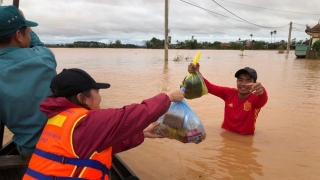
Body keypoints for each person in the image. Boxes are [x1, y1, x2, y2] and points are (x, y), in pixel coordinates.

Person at [23, 68, 184, 180]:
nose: (100, 98)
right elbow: (128, 116)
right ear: (82, 98)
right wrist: (167, 97)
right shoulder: (87, 122)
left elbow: (98, 147)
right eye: (97, 92)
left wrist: (143, 134)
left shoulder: (58, 120)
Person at [0, 5, 57, 157]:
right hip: (60, 143)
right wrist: (22, 20)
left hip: (29, 151)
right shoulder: (45, 57)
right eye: (27, 30)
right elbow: (37, 44)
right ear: (19, 35)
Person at [188, 63, 268, 135]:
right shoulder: (229, 93)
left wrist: (262, 90)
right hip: (225, 135)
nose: (243, 84)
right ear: (236, 81)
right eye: (240, 80)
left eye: (248, 81)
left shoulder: (256, 99)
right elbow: (209, 87)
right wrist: (197, 73)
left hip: (245, 139)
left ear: (255, 83)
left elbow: (263, 99)